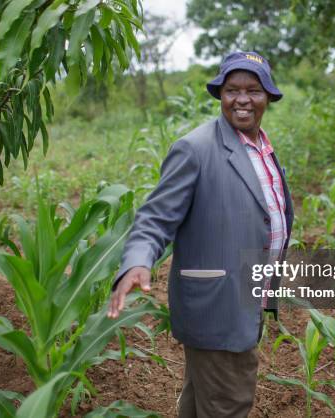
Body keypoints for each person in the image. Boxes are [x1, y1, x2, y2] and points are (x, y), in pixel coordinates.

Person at [107, 51, 294, 418]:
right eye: (232, 90)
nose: (242, 99)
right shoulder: (196, 149)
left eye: (253, 90)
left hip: (244, 295)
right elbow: (156, 218)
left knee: (201, 401)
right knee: (228, 403)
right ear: (220, 95)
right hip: (218, 307)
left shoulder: (262, 148)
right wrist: (137, 262)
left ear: (268, 96)